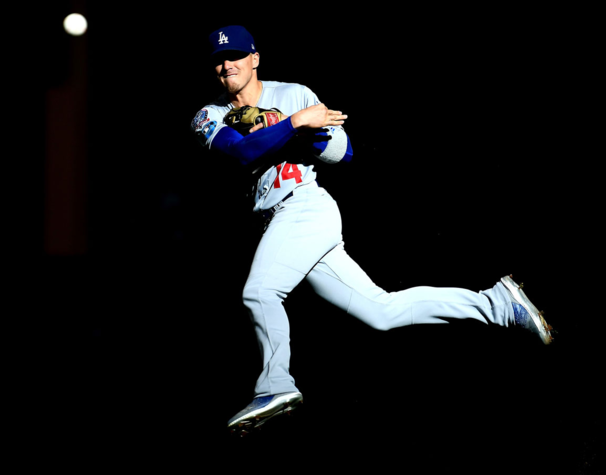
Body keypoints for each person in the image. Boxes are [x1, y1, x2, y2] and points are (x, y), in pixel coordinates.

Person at [190, 25, 554, 436]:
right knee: (381, 312)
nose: (227, 64)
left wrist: (296, 127)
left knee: (259, 292)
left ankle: (274, 385)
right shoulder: (209, 114)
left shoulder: (293, 93)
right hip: (280, 223)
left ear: (254, 58)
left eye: (236, 55)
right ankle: (499, 304)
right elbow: (240, 153)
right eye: (219, 59)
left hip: (305, 209)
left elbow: (342, 153)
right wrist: (293, 125)